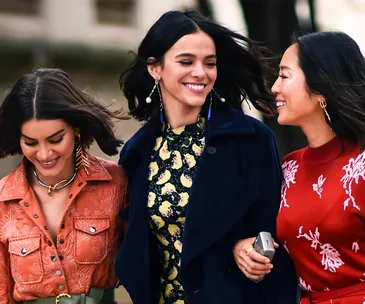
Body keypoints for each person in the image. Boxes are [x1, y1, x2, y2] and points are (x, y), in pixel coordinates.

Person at [114, 9, 297, 304]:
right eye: (186, 61)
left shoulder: (250, 140)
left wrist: (240, 246)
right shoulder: (136, 154)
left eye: (209, 63)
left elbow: (274, 234)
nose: (200, 72)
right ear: (155, 68)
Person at [237, 31, 365, 303]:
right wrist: (244, 250)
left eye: (284, 75)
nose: (274, 88)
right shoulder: (290, 167)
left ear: (320, 88)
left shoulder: (362, 165)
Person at [0, 68, 128, 303]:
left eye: (56, 139)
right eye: (30, 142)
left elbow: (146, 265)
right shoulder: (2, 200)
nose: (44, 153)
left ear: (75, 128)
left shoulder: (116, 183)